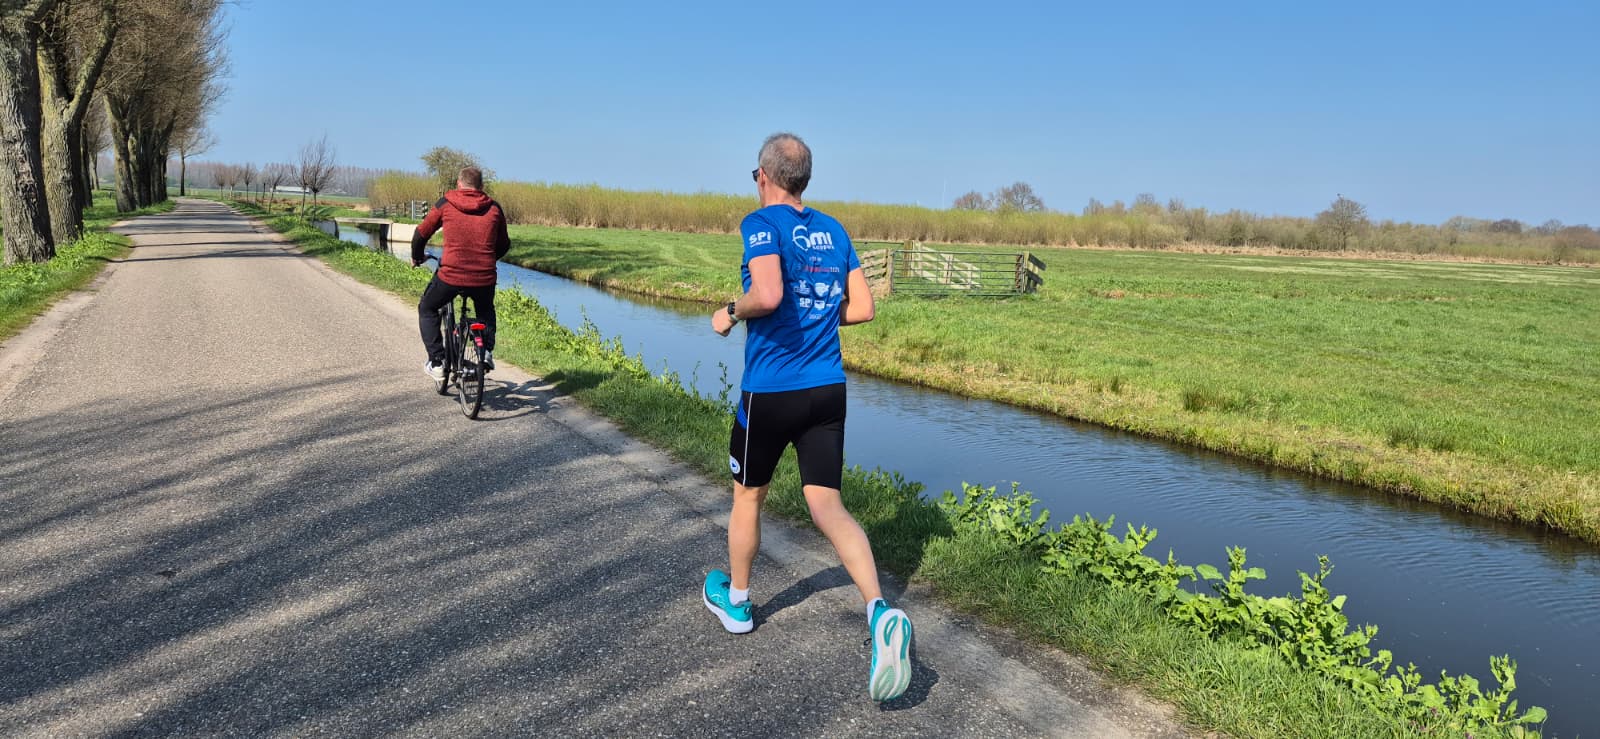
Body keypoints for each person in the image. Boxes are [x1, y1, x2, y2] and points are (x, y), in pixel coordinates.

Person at [704, 132, 913, 702]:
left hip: (772, 390)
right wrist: (818, 309)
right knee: (827, 505)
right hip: (827, 390)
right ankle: (878, 611)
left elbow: (768, 294)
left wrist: (730, 311)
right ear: (805, 180)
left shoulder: (760, 223)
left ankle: (738, 604)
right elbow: (863, 308)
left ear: (764, 176)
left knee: (748, 496)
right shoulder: (834, 230)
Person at [412, 166, 510, 379]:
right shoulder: (494, 208)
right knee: (485, 310)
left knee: (427, 308)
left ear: (458, 184)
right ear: (481, 186)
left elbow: (421, 234)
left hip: (451, 276)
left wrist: (417, 257)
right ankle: (486, 352)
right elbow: (504, 244)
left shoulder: (446, 203)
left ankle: (437, 362)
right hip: (484, 277)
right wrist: (486, 261)